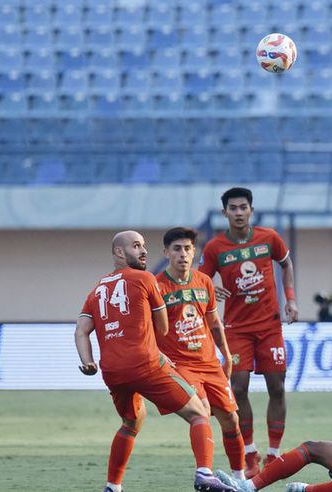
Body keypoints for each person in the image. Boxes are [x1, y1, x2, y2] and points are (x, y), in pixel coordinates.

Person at [74, 230, 234, 492]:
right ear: (119, 253)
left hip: (112, 371)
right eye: (136, 246)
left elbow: (81, 331)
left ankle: (113, 486)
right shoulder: (145, 278)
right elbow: (162, 329)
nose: (143, 251)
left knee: (131, 422)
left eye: (144, 246)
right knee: (199, 413)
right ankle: (204, 473)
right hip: (145, 364)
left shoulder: (98, 289)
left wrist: (88, 361)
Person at [198, 187, 299, 478]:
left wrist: (290, 299)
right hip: (237, 328)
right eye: (233, 208)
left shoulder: (269, 238)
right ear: (225, 213)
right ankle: (251, 452)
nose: (239, 212)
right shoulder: (216, 248)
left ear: (251, 210)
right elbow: (200, 279)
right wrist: (209, 286)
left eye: (244, 207)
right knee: (238, 388)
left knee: (277, 387)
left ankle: (275, 454)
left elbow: (286, 263)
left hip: (269, 325)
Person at [155, 227, 246, 481]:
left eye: (187, 249)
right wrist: (161, 359)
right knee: (202, 410)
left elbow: (215, 323)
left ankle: (239, 478)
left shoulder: (204, 281)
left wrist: (226, 355)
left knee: (231, 419)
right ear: (166, 253)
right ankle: (204, 472)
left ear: (194, 252)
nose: (183, 254)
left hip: (210, 363)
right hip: (181, 366)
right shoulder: (157, 287)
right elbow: (149, 330)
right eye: (176, 249)